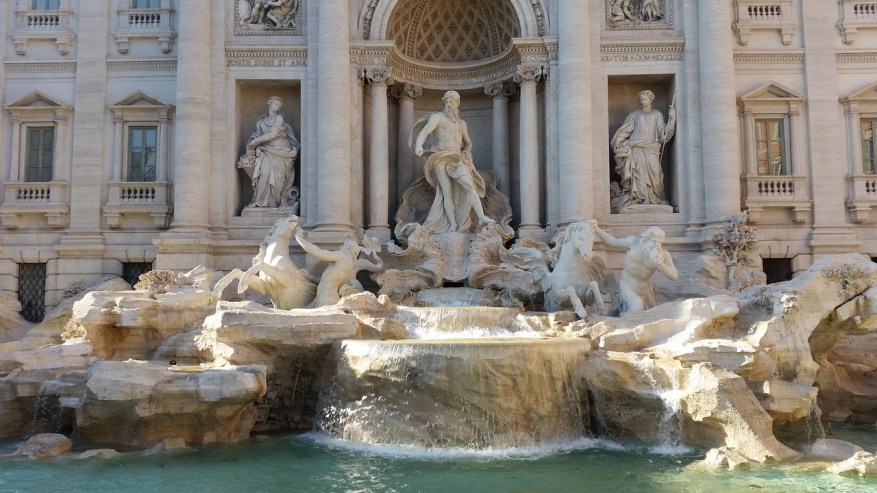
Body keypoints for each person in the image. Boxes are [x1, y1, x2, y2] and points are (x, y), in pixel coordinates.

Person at [410, 91, 495, 233]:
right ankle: (452, 224)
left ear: (458, 104)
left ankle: (481, 217)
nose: (450, 104)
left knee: (469, 185)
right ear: (444, 103)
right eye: (448, 101)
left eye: (453, 101)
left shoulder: (462, 124)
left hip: (457, 159)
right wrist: (419, 145)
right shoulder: (437, 118)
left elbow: (468, 143)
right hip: (441, 157)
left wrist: (466, 152)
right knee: (446, 192)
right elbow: (424, 133)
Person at [611, 90, 676, 208]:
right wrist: (619, 141)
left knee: (655, 173)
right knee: (638, 173)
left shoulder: (657, 114)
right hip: (636, 147)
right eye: (641, 100)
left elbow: (663, 134)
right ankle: (640, 199)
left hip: (651, 148)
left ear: (651, 100)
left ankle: (655, 198)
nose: (643, 101)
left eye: (645, 99)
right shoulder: (635, 114)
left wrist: (672, 120)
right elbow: (625, 130)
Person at [593, 225, 678, 315]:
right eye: (654, 241)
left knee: (648, 315)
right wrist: (596, 229)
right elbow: (613, 242)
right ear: (645, 240)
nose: (656, 245)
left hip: (646, 291)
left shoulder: (663, 255)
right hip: (627, 286)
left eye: (659, 243)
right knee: (637, 309)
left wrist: (659, 264)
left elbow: (674, 276)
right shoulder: (633, 243)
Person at [294, 229, 383, 308]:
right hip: (330, 296)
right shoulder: (349, 267)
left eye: (345, 244)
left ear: (349, 248)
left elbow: (317, 252)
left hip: (326, 297)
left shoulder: (341, 256)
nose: (342, 246)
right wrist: (310, 277)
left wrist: (299, 239)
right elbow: (329, 280)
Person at [239, 96, 299, 208]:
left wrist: (256, 141)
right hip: (266, 150)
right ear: (269, 103)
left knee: (278, 178)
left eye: (279, 106)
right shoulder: (261, 121)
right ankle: (259, 201)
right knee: (264, 174)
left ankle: (274, 203)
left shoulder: (279, 118)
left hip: (280, 151)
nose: (277, 107)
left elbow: (273, 134)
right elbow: (257, 135)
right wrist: (252, 143)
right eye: (275, 104)